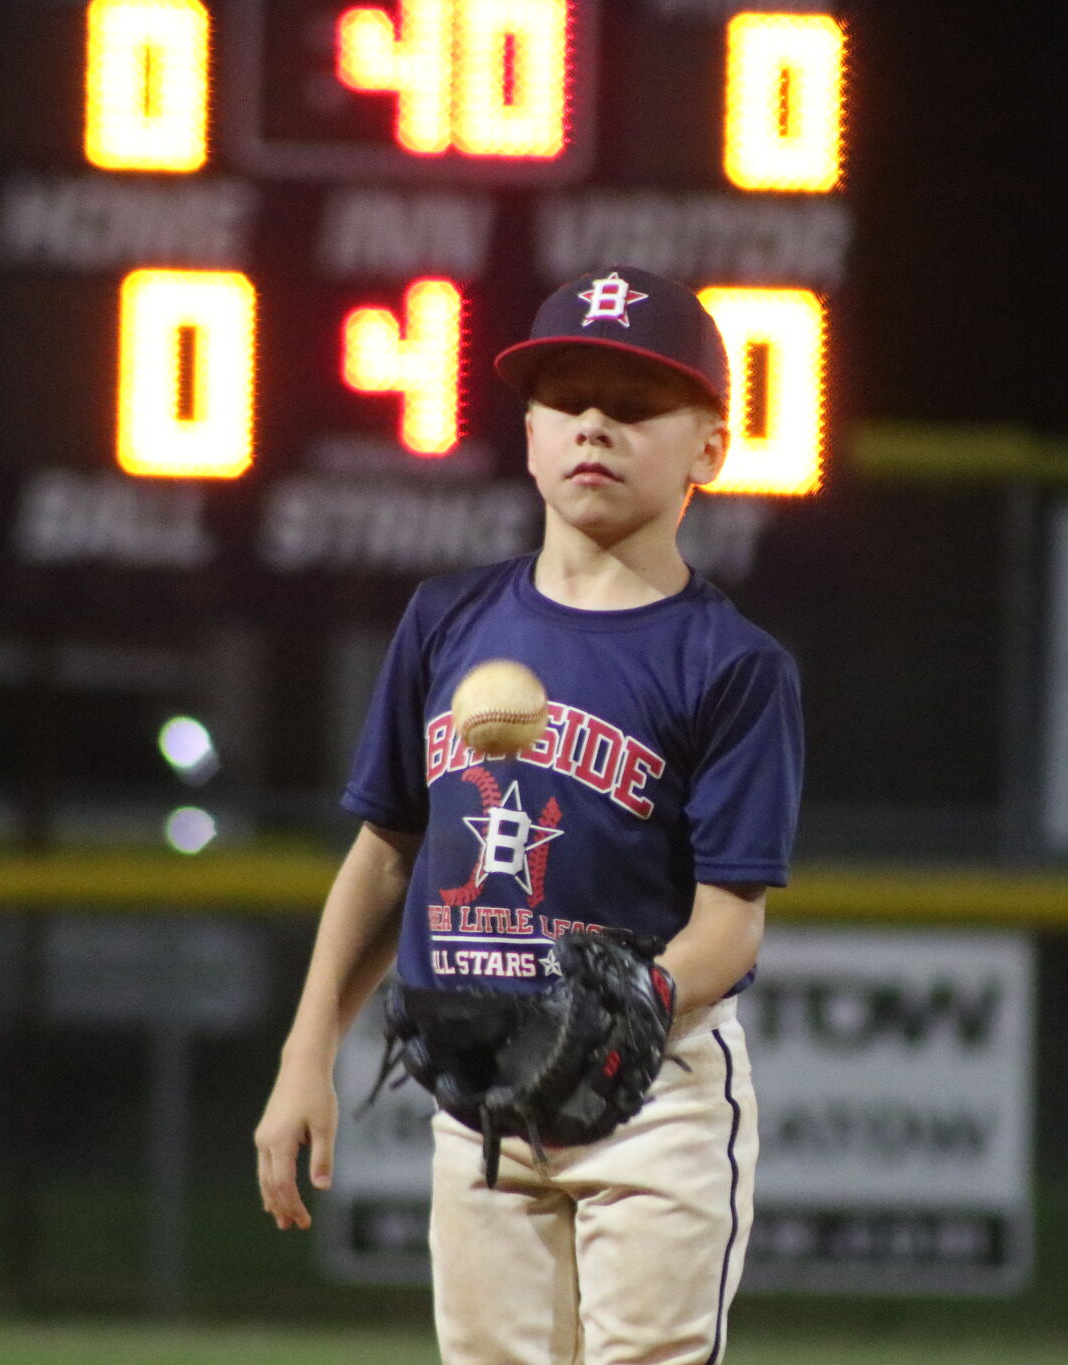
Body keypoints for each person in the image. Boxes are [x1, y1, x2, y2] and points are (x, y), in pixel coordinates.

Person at [254, 265, 804, 1364]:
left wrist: (640, 998)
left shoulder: (730, 666)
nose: (593, 423)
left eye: (636, 402)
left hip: (654, 1096)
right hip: (481, 1100)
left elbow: (729, 922)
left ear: (709, 448)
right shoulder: (445, 620)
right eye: (563, 397)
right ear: (528, 431)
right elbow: (381, 858)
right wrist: (305, 1051)